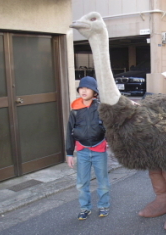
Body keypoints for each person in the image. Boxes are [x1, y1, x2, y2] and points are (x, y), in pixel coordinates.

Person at [66, 76, 110, 220]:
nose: (84, 91)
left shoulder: (101, 108)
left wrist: (109, 140)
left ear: (95, 92)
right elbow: (70, 131)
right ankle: (85, 208)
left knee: (102, 181)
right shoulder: (75, 110)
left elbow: (109, 127)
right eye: (81, 88)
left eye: (87, 88)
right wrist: (69, 153)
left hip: (99, 149)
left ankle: (103, 205)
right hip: (82, 150)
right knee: (81, 182)